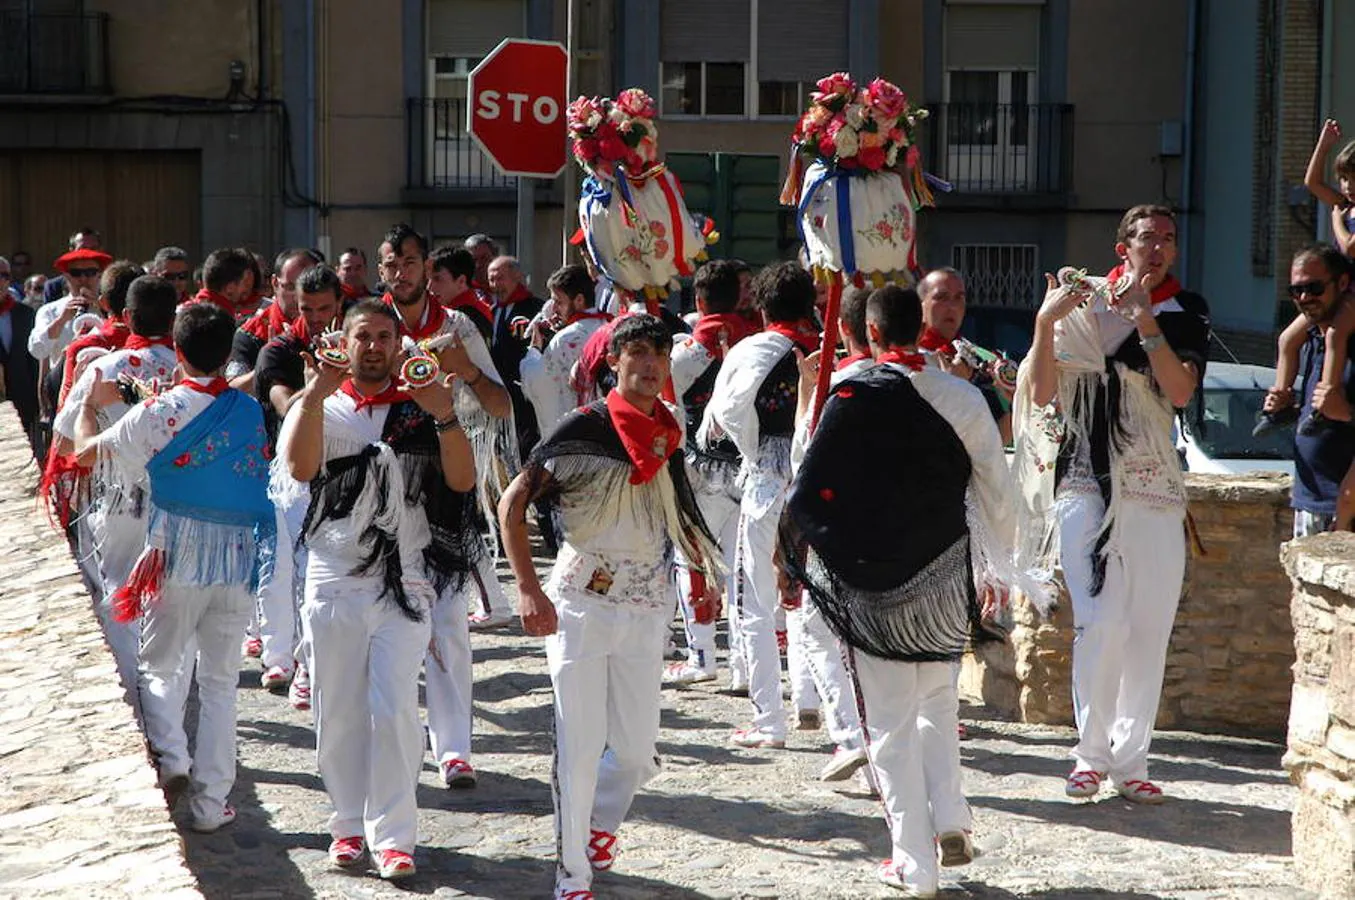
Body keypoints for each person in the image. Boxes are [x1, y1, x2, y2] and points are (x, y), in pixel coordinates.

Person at [778, 284, 1019, 896]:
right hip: (942, 576)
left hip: (868, 583)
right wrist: (998, 567)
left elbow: (808, 479)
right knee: (936, 704)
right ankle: (954, 818)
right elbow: (998, 486)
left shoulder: (848, 394)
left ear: (872, 334)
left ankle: (916, 863)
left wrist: (802, 557)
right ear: (919, 328)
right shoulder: (963, 396)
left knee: (886, 725)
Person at [498, 314, 723, 900]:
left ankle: (599, 822)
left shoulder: (667, 427)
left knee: (636, 747)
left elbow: (681, 510)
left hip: (647, 603)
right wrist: (527, 587)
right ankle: (572, 871)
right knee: (578, 743)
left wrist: (701, 575)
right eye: (639, 353)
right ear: (614, 362)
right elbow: (512, 502)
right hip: (581, 601)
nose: (651, 365)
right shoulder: (583, 429)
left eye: (660, 354)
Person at [1014, 204, 1210, 804]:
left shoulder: (1185, 311)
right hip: (1084, 481)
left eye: (1168, 239)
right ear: (1122, 246)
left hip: (1152, 484)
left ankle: (1132, 761)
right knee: (1101, 624)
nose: (1158, 248)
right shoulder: (1078, 306)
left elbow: (1178, 392)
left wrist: (1146, 321)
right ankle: (1088, 757)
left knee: (1149, 630)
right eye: (1147, 238)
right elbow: (1044, 392)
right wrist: (1045, 326)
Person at [279, 298, 477, 879]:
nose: (373, 346)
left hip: (406, 579)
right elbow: (299, 468)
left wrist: (445, 415)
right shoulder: (322, 404)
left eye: (384, 337)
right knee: (337, 709)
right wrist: (314, 395)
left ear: (399, 345)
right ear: (344, 342)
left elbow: (461, 482)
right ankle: (345, 824)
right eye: (362, 335)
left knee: (394, 711)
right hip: (335, 577)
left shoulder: (423, 408)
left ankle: (393, 836)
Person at [74, 301, 274, 834]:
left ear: (178, 352)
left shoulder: (158, 413)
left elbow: (87, 455)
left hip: (173, 554)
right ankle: (211, 804)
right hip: (235, 560)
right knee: (220, 683)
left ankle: (172, 756)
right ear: (227, 351)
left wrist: (91, 411)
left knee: (160, 665)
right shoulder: (248, 411)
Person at [377, 223, 512, 789]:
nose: (402, 272)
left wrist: (467, 368)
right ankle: (391, 737)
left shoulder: (457, 325)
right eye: (392, 263)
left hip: (446, 483)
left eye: (411, 262)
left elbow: (501, 404)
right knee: (383, 620)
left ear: (427, 266)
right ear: (381, 269)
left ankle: (454, 747)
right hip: (378, 487)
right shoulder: (365, 324)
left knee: (451, 620)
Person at [699, 261, 821, 749]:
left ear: (763, 306)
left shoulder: (755, 348)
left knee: (754, 598)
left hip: (768, 477)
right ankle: (810, 695)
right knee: (812, 593)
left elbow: (726, 413)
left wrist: (751, 449)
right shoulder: (822, 349)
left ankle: (769, 719)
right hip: (816, 482)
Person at [54, 274, 178, 708]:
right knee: (172, 611)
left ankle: (135, 711)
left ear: (126, 317)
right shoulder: (190, 369)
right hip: (179, 504)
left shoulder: (104, 368)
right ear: (175, 316)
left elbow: (67, 444)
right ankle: (168, 725)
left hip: (119, 500)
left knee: (120, 604)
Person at [250, 264, 347, 709]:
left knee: (322, 578)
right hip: (289, 477)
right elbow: (285, 405)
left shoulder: (359, 343)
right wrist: (317, 389)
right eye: (307, 309)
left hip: (345, 475)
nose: (317, 318)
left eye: (325, 309)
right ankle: (288, 658)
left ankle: (312, 664)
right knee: (284, 574)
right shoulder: (279, 350)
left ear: (340, 304)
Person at [664, 259, 759, 687]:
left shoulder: (689, 350)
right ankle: (743, 664)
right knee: (744, 567)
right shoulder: (759, 339)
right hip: (749, 464)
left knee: (693, 559)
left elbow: (665, 398)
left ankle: (702, 654)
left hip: (699, 469)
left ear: (698, 300)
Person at [1257, 119, 1355, 437]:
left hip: (1351, 290)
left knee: (1334, 336)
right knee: (1288, 338)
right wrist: (1323, 146)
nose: (1347, 187)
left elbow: (1350, 247)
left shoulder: (1343, 212)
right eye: (1343, 179)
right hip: (1338, 287)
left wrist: (1336, 220)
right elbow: (1312, 183)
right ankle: (1282, 400)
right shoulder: (1344, 204)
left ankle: (1325, 402)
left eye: (1353, 179)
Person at [1284, 244, 1355, 535]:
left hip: (1343, 514)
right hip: (1310, 504)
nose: (1304, 298)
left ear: (1342, 283)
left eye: (1313, 288)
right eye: (1296, 290)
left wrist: (1346, 413)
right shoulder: (1312, 339)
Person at [917, 267, 1015, 444]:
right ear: (921, 305)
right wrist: (952, 386)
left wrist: (1015, 404)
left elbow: (997, 441)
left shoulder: (983, 358)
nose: (952, 306)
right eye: (942, 297)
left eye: (959, 298)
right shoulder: (911, 360)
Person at [520, 264, 611, 441]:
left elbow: (539, 383)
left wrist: (533, 352)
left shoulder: (566, 338)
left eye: (559, 302)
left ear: (579, 300)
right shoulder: (607, 326)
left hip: (576, 435)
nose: (553, 309)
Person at [229, 248, 324, 387]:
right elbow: (233, 387)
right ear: (275, 283)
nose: (298, 296)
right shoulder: (251, 333)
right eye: (291, 287)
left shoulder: (333, 326)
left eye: (307, 287)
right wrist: (268, 360)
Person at [488, 254, 546, 456]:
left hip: (525, 396)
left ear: (517, 277)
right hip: (496, 394)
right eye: (491, 279)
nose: (495, 285)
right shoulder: (491, 311)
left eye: (500, 278)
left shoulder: (535, 309)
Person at [0, 256, 40, 455]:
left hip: (20, 400)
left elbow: (33, 360)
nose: (0, 281)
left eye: (5, 276)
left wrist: (36, 400)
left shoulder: (25, 313)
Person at [427, 246, 494, 340]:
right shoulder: (479, 309)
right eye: (428, 280)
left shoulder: (462, 319)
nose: (429, 287)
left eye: (437, 279)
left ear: (461, 281)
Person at [188, 247, 257, 323]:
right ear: (230, 288)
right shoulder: (221, 322)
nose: (249, 287)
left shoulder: (183, 312)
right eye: (245, 282)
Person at [42, 227, 103, 307]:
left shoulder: (111, 284)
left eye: (93, 249)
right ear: (71, 251)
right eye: (82, 249)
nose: (88, 253)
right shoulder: (54, 287)